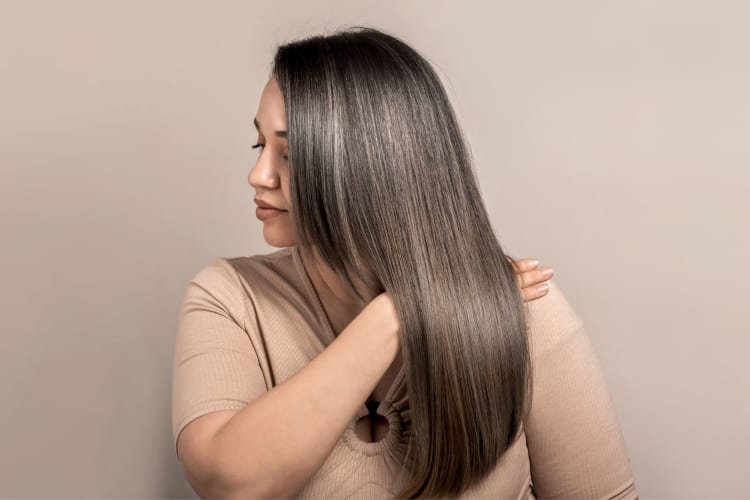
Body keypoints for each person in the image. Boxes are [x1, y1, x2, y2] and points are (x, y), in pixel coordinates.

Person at [171, 26, 637, 499]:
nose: (258, 175)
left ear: (371, 166)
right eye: (259, 146)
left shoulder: (525, 306)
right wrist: (394, 316)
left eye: (289, 154)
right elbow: (227, 483)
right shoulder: (229, 298)